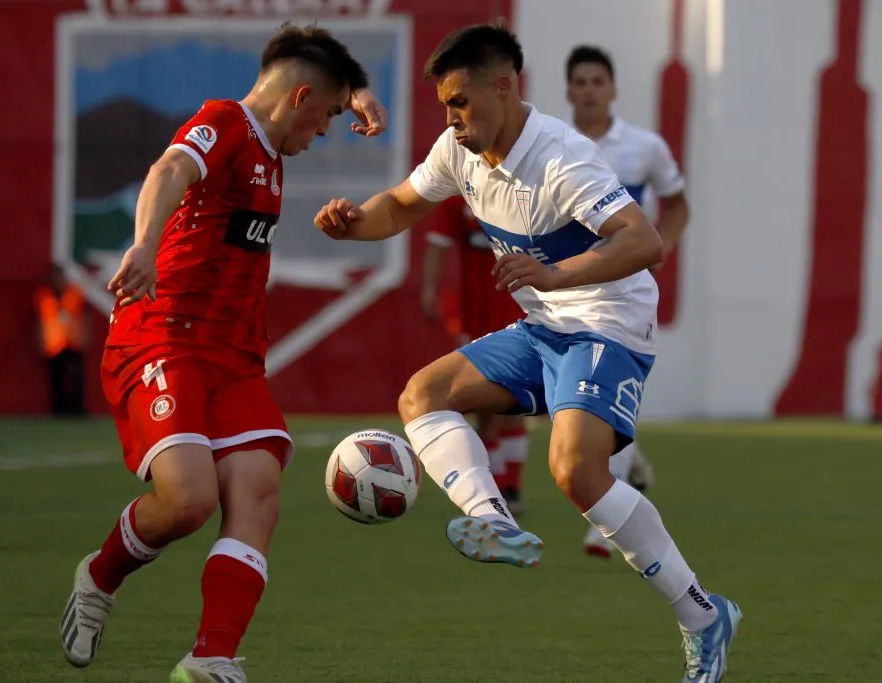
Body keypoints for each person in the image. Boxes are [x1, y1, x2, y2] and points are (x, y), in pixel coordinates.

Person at [314, 23, 741, 682]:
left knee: (575, 470)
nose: (452, 118)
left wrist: (557, 276)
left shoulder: (561, 157)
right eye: (444, 105)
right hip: (545, 324)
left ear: (505, 87)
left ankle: (704, 615)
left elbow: (645, 241)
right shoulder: (459, 151)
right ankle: (493, 519)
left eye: (460, 101)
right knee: (420, 394)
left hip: (608, 323)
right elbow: (399, 205)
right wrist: (353, 224)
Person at [59, 23, 385, 683]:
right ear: (299, 98)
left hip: (234, 355)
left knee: (260, 488)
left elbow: (306, 44)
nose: (321, 134)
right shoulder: (226, 123)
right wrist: (145, 243)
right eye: (322, 118)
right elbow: (171, 167)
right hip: (162, 334)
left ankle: (212, 656)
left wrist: (355, 91)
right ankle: (98, 577)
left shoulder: (273, 145)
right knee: (187, 501)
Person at [564, 44, 690, 558]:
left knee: (606, 390)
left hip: (625, 290)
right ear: (569, 90)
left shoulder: (644, 147)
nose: (590, 90)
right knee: (575, 399)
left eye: (599, 81)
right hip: (568, 286)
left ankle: (603, 527)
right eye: (581, 82)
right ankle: (629, 462)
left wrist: (660, 247)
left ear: (612, 89)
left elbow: (678, 204)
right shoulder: (557, 145)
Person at [419, 196, 531, 514]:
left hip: (521, 310)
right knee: (486, 403)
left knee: (511, 401)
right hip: (475, 315)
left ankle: (505, 486)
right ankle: (503, 486)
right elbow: (437, 244)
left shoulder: (524, 192)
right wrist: (430, 289)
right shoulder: (458, 200)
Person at [34, 264, 88, 416]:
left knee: (76, 378)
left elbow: (83, 316)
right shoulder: (43, 295)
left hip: (73, 342)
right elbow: (39, 320)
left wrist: (84, 336)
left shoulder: (74, 293)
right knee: (56, 379)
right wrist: (40, 340)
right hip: (54, 344)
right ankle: (58, 410)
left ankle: (77, 410)